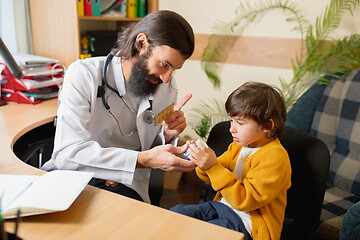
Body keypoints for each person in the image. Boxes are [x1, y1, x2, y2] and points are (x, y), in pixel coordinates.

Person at [42, 10, 196, 204]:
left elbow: (150, 148)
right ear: (141, 44)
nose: (166, 78)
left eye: (174, 69)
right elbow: (68, 153)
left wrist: (167, 134)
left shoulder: (165, 89)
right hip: (75, 176)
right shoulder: (83, 75)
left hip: (125, 183)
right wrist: (140, 160)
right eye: (164, 64)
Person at [171, 82, 291, 240]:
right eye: (231, 120)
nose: (232, 128)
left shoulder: (275, 158)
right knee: (177, 214)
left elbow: (245, 200)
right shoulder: (238, 146)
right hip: (223, 206)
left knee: (206, 234)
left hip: (249, 223)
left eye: (240, 123)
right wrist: (201, 161)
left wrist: (212, 167)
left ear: (267, 126)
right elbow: (210, 176)